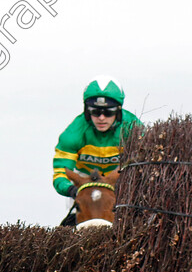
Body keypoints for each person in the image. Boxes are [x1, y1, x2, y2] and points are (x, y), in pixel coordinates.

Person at [53, 75, 142, 225]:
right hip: (84, 184)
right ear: (87, 111)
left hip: (120, 184)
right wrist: (72, 191)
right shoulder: (72, 134)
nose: (101, 118)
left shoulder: (133, 129)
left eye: (108, 112)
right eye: (95, 111)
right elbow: (60, 174)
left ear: (118, 111)